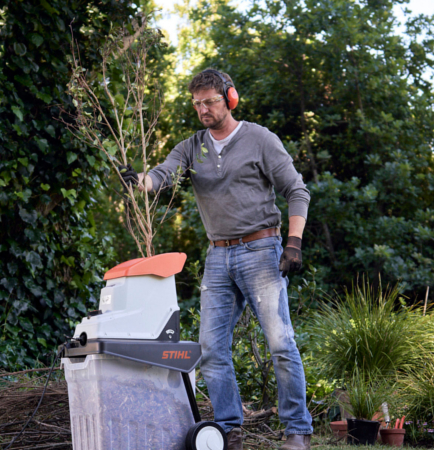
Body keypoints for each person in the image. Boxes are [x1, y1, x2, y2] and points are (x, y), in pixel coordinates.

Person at [120, 69, 313, 450]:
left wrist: (294, 243)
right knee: (209, 349)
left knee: (280, 343)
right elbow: (164, 175)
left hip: (262, 250)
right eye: (197, 103)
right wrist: (140, 180)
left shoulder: (259, 139)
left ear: (230, 98)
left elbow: (297, 190)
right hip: (217, 256)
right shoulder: (193, 146)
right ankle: (228, 431)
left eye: (210, 101)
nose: (203, 108)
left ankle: (297, 431)